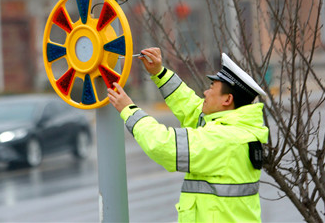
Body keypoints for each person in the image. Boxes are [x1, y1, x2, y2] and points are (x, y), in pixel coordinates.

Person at [108, 47, 269, 223]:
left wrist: (129, 111)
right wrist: (160, 74)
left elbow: (165, 146)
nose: (205, 93)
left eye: (211, 88)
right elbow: (191, 109)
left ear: (227, 100)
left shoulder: (225, 139)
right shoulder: (236, 129)